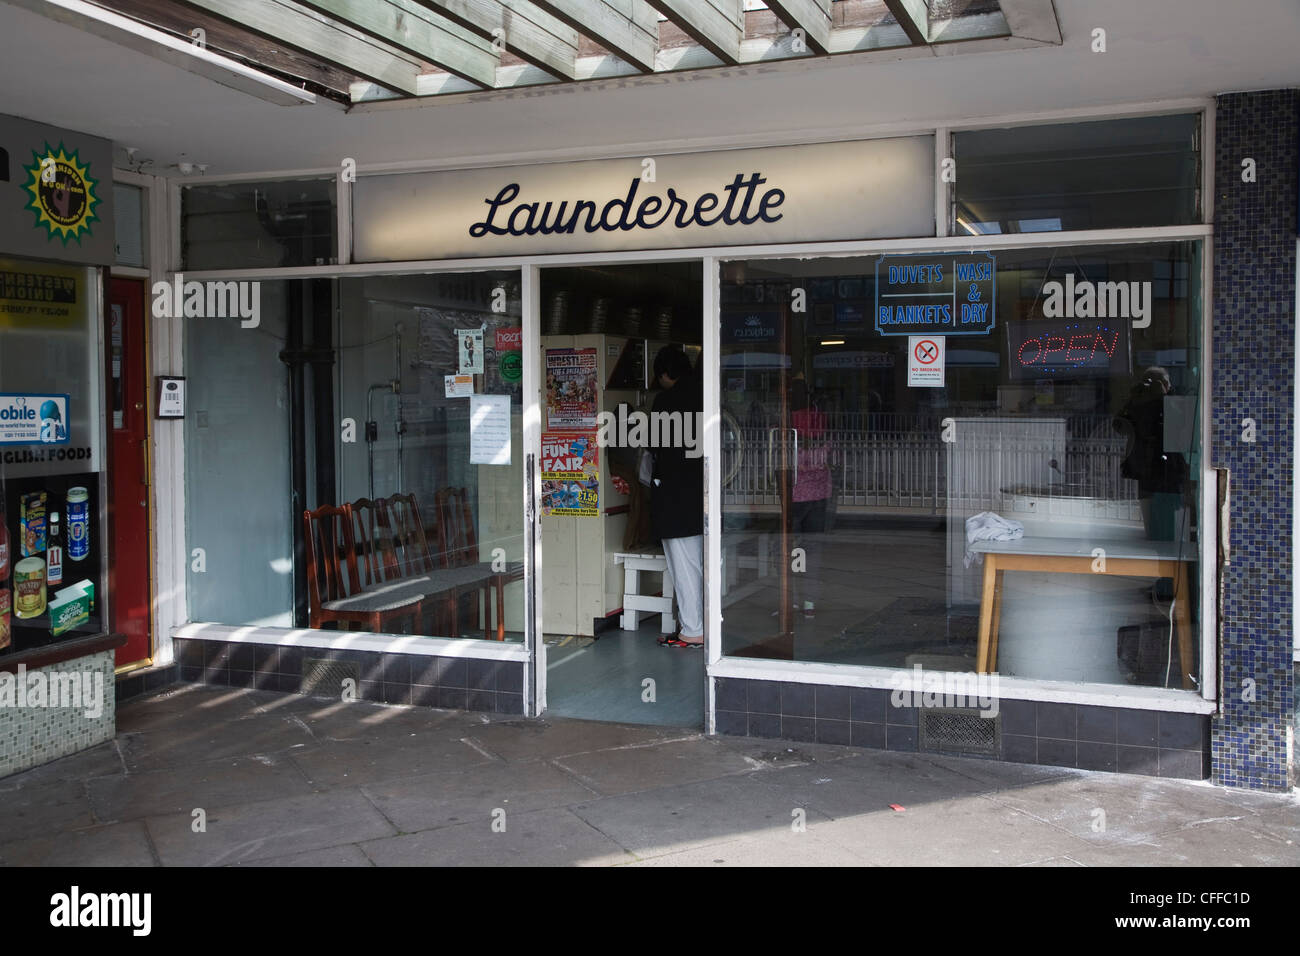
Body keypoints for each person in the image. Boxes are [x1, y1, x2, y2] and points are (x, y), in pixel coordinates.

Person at [649, 345, 704, 648]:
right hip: (702, 493)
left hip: (674, 495)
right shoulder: (705, 395)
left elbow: (655, 447)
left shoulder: (665, 401)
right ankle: (703, 625)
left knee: (683, 566)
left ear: (666, 374)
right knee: (700, 563)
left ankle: (693, 630)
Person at [1114, 366, 1189, 540]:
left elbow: (1180, 425)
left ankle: (1164, 540)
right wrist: (1137, 399)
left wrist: (1164, 397)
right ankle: (1157, 539)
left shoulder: (1169, 401)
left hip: (1161, 463)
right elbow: (1120, 425)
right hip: (1149, 463)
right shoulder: (1139, 401)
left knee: (1166, 505)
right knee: (1152, 505)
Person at [789, 376, 832, 618]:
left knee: (789, 550)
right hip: (818, 494)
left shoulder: (786, 420)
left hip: (794, 494)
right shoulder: (820, 418)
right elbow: (831, 453)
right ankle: (809, 604)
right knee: (812, 550)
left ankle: (791, 601)